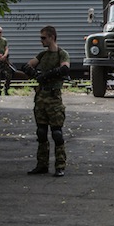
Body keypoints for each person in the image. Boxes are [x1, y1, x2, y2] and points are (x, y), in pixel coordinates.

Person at [22, 26, 70, 178]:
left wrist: (47, 75)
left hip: (54, 98)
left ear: (52, 37)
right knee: (41, 132)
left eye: (43, 38)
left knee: (57, 133)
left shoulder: (62, 54)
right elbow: (27, 65)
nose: (41, 40)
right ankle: (42, 164)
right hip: (41, 97)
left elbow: (64, 69)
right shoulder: (42, 54)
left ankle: (60, 165)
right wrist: (35, 73)